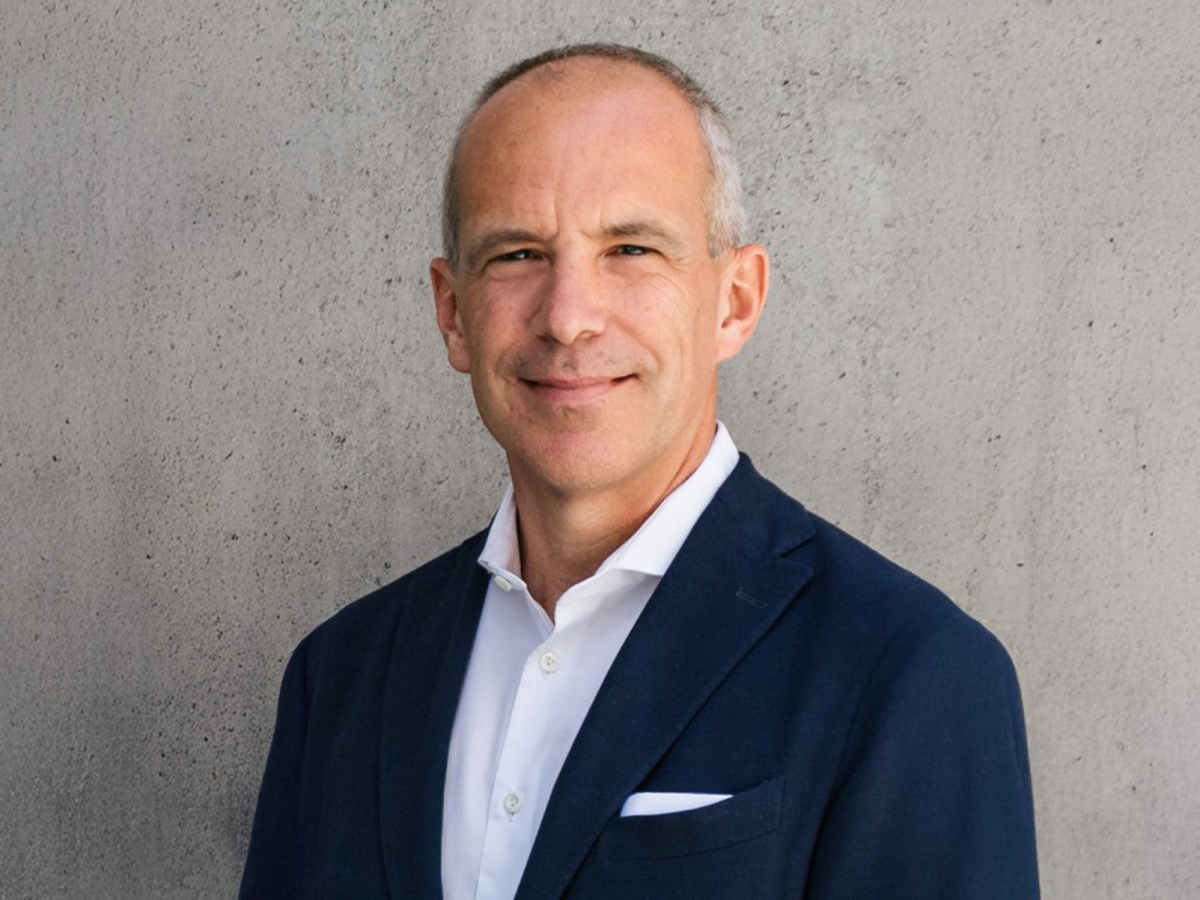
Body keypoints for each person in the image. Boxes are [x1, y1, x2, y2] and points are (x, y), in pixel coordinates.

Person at [240, 43, 1039, 899]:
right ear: (453, 311)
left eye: (630, 248)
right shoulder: (342, 677)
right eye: (517, 254)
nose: (568, 317)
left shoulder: (912, 673)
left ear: (735, 301)